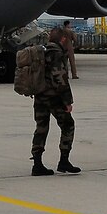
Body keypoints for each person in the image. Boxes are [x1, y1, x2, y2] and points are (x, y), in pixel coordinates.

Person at [30, 27, 80, 176]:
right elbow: (59, 78)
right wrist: (67, 101)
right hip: (54, 98)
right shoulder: (56, 53)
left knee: (41, 128)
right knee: (68, 125)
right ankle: (64, 160)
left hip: (40, 96)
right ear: (63, 39)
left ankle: (37, 164)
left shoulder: (42, 51)